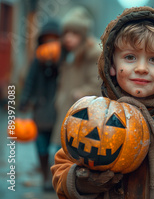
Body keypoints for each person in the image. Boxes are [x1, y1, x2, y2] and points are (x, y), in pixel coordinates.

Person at [51, 6, 154, 198]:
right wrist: (83, 183)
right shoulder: (94, 116)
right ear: (112, 66)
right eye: (130, 57)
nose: (141, 68)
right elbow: (61, 171)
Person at [51, 6, 101, 155]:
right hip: (66, 107)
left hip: (81, 111)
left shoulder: (93, 53)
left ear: (83, 34)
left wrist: (80, 93)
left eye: (74, 33)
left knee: (74, 150)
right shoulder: (68, 53)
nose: (68, 37)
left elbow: (97, 81)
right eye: (65, 33)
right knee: (60, 149)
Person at [19, 19, 61, 191]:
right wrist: (24, 100)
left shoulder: (64, 59)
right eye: (46, 40)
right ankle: (45, 175)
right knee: (41, 144)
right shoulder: (37, 60)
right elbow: (30, 81)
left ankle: (56, 177)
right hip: (40, 107)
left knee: (57, 147)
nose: (49, 44)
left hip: (57, 109)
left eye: (53, 40)